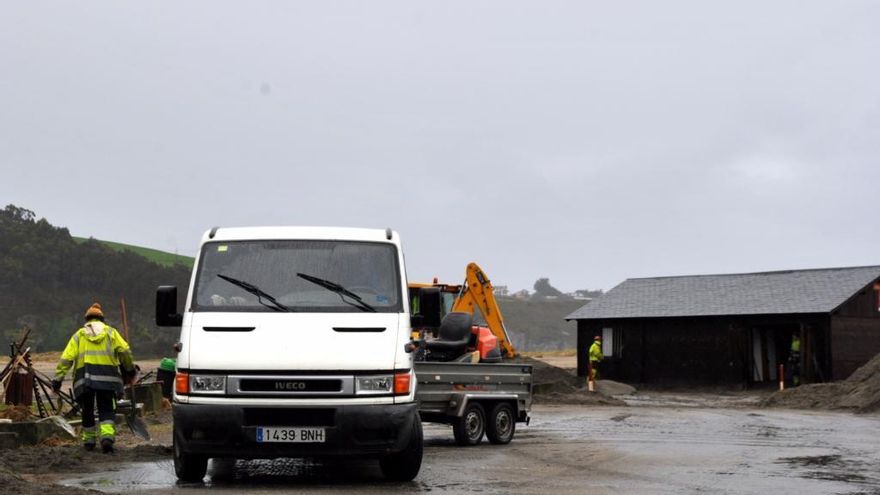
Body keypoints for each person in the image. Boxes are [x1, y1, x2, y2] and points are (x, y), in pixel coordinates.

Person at [52, 303, 136, 453]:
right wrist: (129, 370)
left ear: (87, 319)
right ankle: (107, 439)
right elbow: (124, 350)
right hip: (108, 379)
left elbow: (66, 358)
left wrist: (58, 379)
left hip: (84, 379)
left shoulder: (79, 335)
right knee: (107, 409)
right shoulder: (111, 333)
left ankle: (89, 441)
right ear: (101, 319)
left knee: (87, 410)